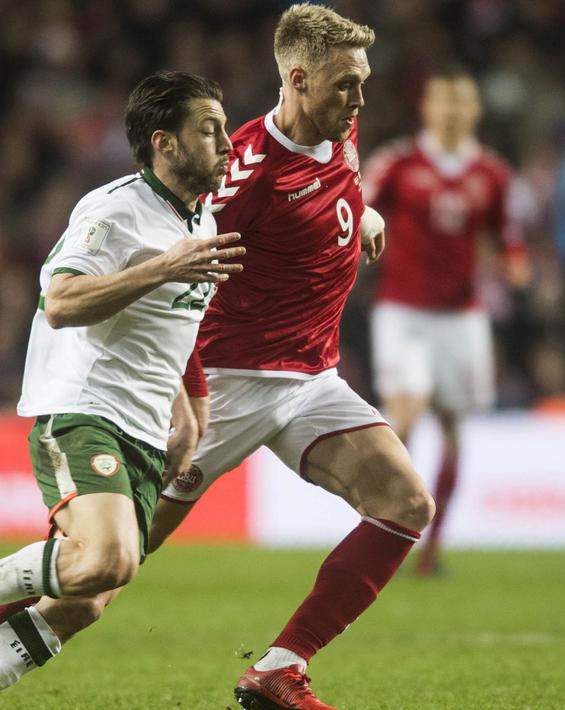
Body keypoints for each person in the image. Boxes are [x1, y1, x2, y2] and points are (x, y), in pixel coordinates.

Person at [0, 70, 243, 709]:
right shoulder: (114, 208)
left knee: (84, 604)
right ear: (166, 143)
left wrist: (189, 412)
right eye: (209, 130)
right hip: (84, 408)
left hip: (149, 429)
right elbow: (62, 300)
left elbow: (172, 325)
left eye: (225, 127)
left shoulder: (202, 221)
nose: (227, 142)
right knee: (108, 559)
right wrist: (163, 265)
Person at [142, 6, 432, 710]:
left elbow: (335, 180)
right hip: (229, 386)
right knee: (111, 559)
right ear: (297, 80)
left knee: (405, 502)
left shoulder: (340, 126)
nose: (359, 101)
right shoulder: (241, 178)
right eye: (344, 87)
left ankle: (279, 667)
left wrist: (362, 212)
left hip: (309, 380)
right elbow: (173, 280)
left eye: (362, 84)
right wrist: (182, 394)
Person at [361, 64, 528, 576]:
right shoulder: (397, 163)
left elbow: (506, 234)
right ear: (427, 108)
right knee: (405, 415)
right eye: (443, 102)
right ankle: (389, 527)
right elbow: (355, 207)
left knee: (454, 426)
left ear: (474, 110)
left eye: (461, 103)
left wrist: (516, 262)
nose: (452, 112)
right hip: (403, 309)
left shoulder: (492, 174)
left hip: (461, 317)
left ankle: (431, 550)